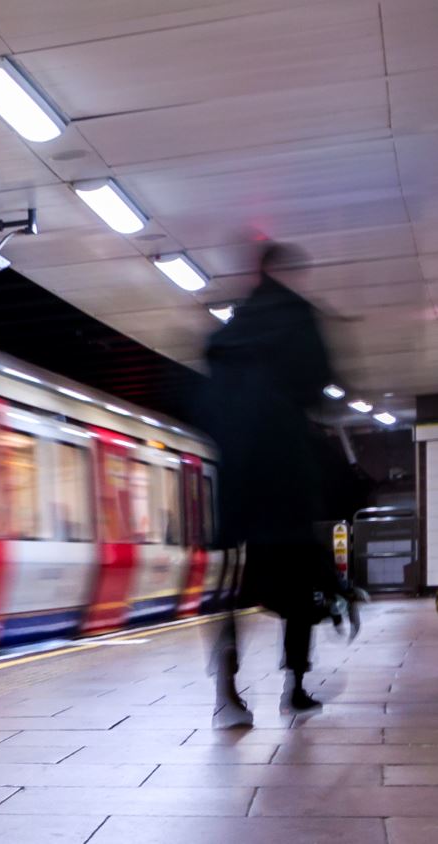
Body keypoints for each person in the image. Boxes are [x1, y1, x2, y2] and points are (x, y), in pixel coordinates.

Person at [196, 240, 341, 727]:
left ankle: (227, 694)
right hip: (285, 481)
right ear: (284, 271)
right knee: (299, 592)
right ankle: (295, 687)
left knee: (231, 594)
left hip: (239, 487)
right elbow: (320, 384)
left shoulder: (228, 334)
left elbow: (209, 403)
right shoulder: (299, 320)